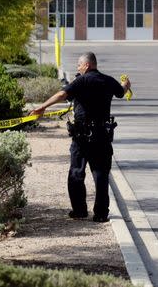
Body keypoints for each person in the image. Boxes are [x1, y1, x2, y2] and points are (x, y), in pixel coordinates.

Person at [29, 52, 131, 222]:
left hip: (82, 137)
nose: (77, 68)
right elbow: (121, 91)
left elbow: (62, 95)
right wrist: (126, 84)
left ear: (87, 65)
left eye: (79, 65)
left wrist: (42, 107)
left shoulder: (81, 81)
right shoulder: (108, 80)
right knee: (101, 175)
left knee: (76, 173)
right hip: (102, 136)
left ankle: (79, 211)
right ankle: (100, 214)